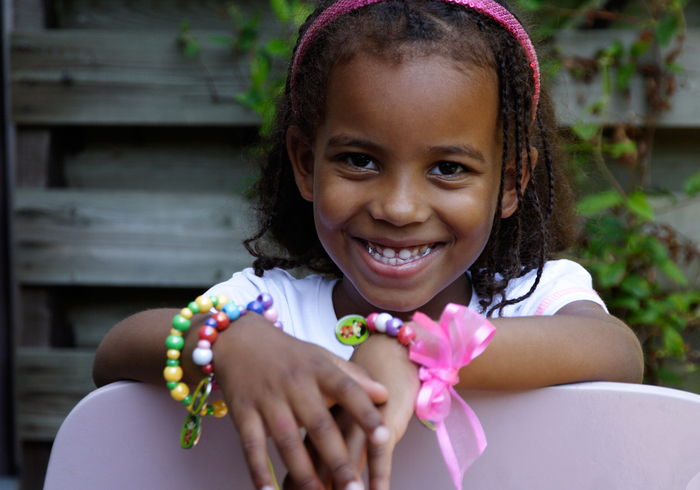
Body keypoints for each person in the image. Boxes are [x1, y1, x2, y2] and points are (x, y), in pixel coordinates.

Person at [93, 0, 644, 488]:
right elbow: (115, 355)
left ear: (509, 184)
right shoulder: (273, 315)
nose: (398, 207)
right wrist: (231, 342)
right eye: (360, 161)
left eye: (448, 168)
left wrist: (415, 352)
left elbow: (616, 352)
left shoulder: (533, 300)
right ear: (307, 165)